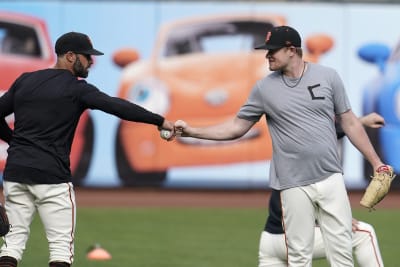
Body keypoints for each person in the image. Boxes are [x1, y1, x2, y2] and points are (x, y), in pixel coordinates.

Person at [174, 26, 388, 266]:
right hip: (292, 184)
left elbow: (348, 122)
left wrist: (376, 162)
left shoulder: (328, 77)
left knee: (342, 256)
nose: (267, 55)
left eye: (272, 50)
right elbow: (236, 127)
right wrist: (193, 130)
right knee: (298, 257)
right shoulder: (264, 89)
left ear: (291, 50)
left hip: (330, 178)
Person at [0, 31, 174, 267]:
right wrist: (159, 120)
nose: (91, 61)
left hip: (17, 173)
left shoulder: (25, 80)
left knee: (12, 243)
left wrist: (14, 141)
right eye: (87, 56)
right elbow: (117, 106)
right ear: (70, 56)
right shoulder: (78, 89)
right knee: (61, 248)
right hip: (52, 177)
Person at [259, 113, 385, 267]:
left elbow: (328, 133)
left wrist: (362, 121)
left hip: (269, 242)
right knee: (364, 234)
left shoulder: (289, 148)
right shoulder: (314, 161)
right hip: (295, 239)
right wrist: (337, 219)